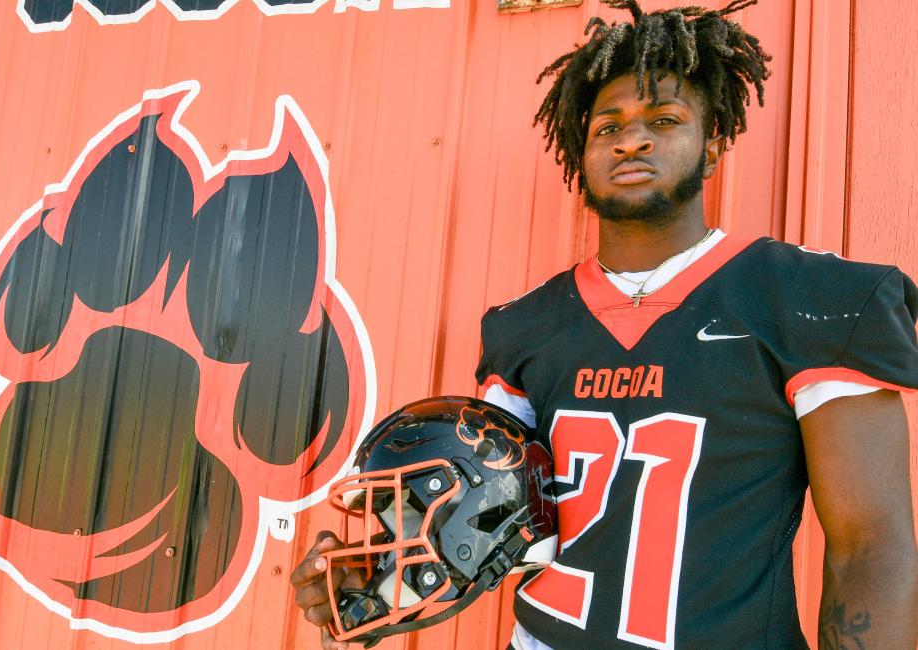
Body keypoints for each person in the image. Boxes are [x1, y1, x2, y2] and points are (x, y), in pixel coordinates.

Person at [291, 1, 918, 648]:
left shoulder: (806, 298)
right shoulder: (524, 326)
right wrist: (385, 575)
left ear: (713, 146)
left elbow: (869, 550)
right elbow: (487, 530)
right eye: (606, 126)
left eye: (664, 120)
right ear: (578, 147)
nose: (631, 138)